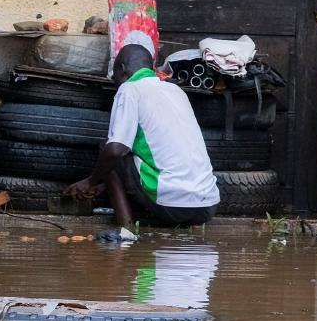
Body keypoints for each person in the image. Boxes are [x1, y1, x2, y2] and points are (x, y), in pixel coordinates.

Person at [63, 33, 219, 243]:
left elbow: (116, 149)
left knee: (108, 148)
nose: (114, 81)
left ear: (122, 69)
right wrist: (102, 185)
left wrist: (90, 181)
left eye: (115, 75)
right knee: (123, 152)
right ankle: (190, 226)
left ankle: (126, 231)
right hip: (207, 206)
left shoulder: (130, 90)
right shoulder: (175, 91)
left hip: (172, 205)